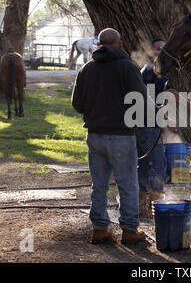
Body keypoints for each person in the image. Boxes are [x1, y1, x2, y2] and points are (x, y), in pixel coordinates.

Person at [71, 28, 148, 245]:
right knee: (127, 184)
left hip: (95, 136)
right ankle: (130, 231)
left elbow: (77, 104)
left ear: (98, 45)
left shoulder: (86, 69)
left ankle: (99, 229)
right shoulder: (128, 68)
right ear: (120, 45)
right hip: (122, 136)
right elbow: (140, 99)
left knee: (99, 185)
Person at [136, 39, 169, 218]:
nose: (161, 52)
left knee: (141, 164)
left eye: (164, 49)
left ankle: (140, 207)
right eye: (158, 49)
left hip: (138, 123)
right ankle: (154, 209)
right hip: (148, 124)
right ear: (151, 52)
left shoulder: (145, 70)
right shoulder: (154, 71)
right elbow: (170, 96)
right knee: (157, 164)